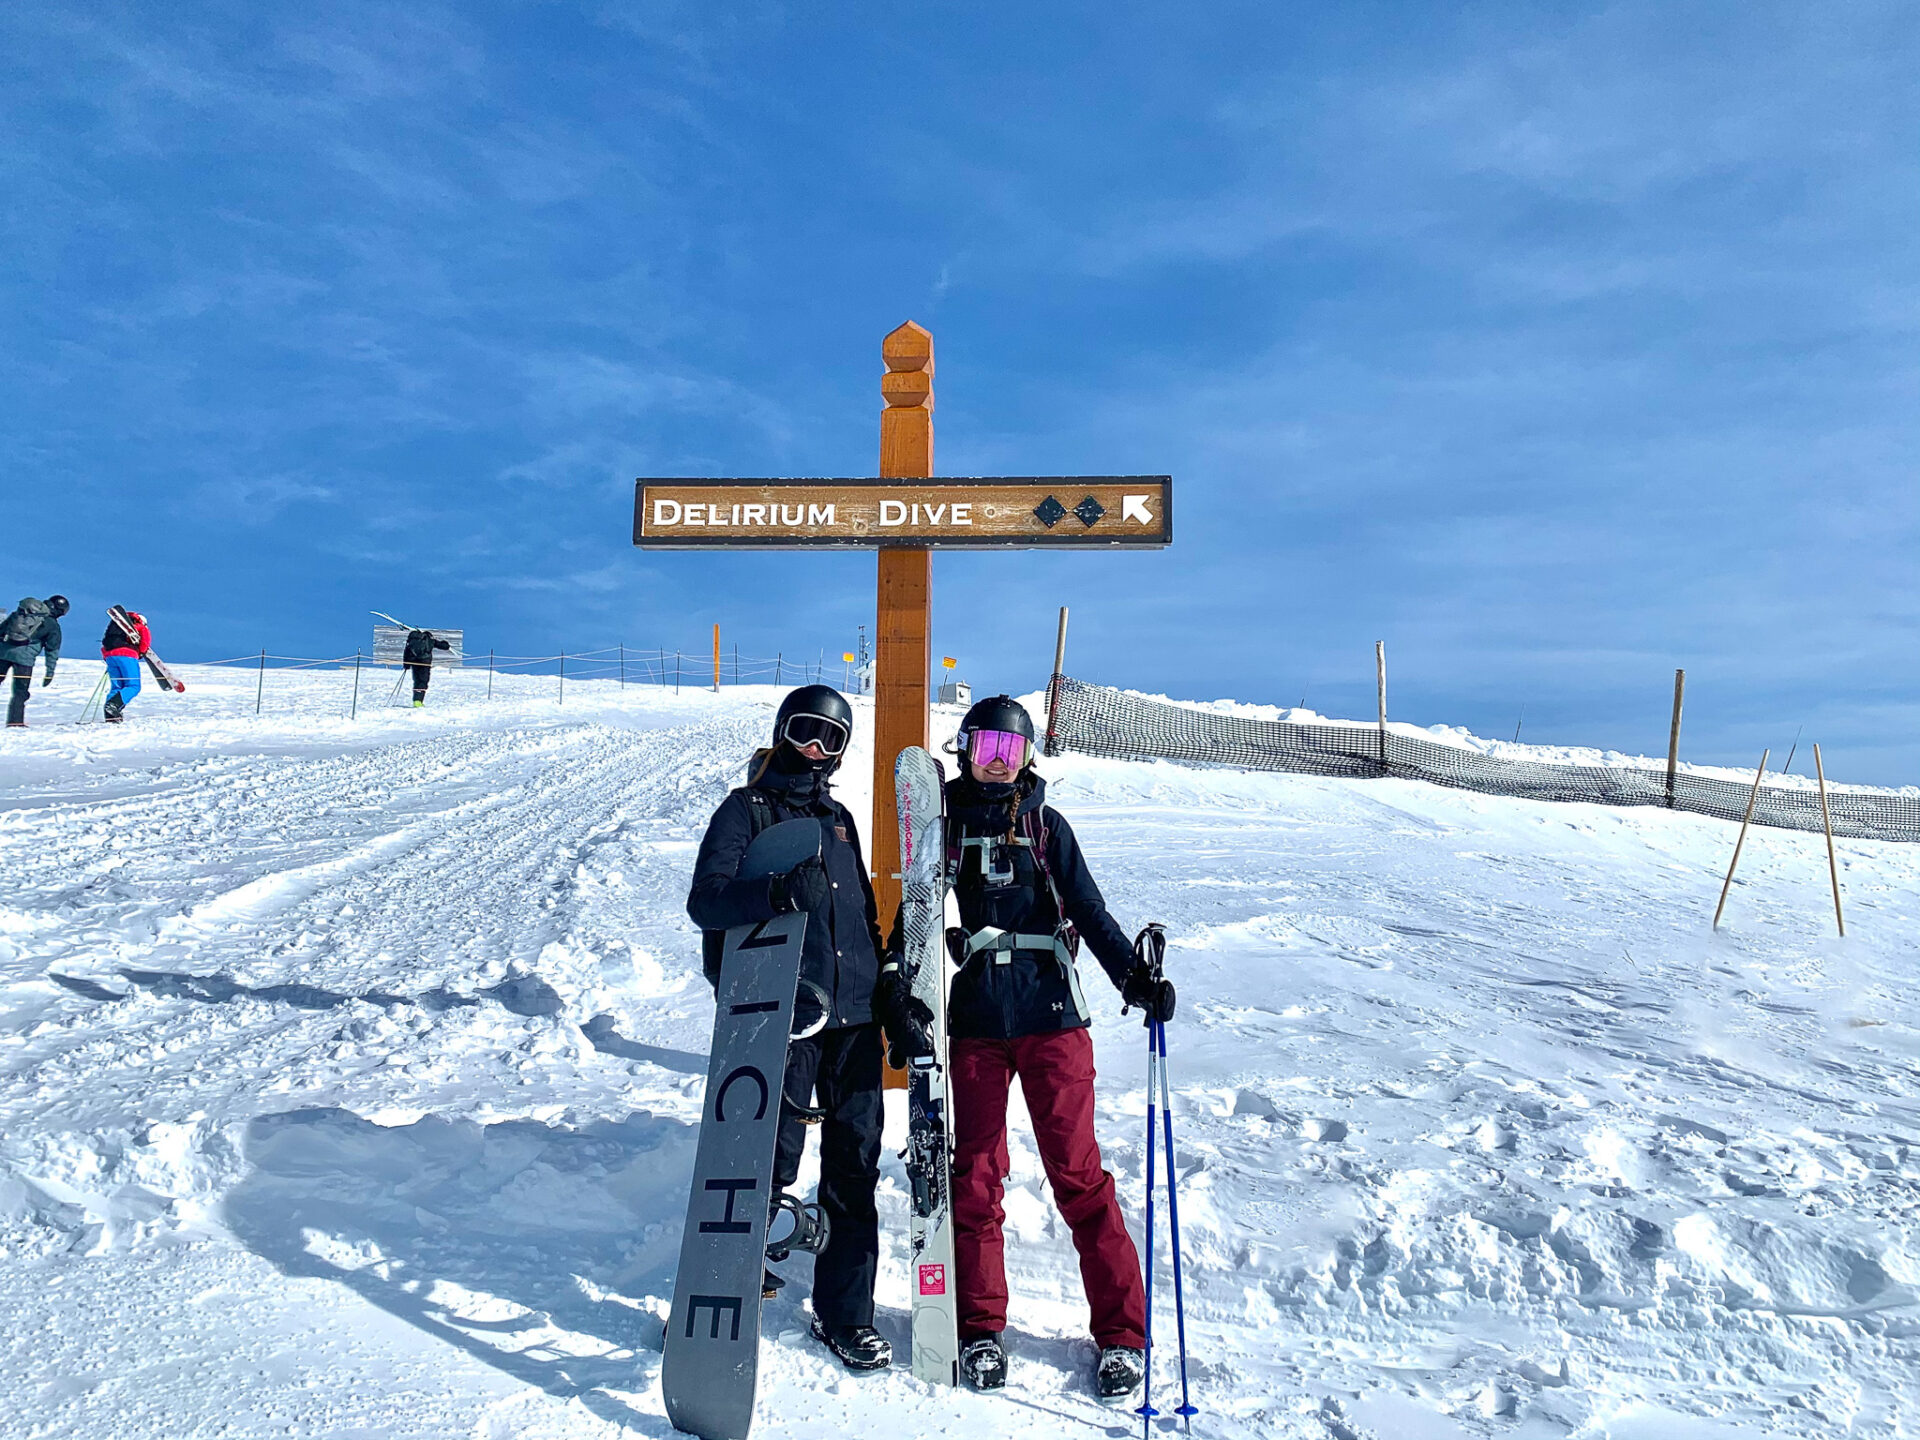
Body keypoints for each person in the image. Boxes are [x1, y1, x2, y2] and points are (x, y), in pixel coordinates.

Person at [930, 694, 1176, 1401]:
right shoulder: (943, 830)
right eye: (986, 751)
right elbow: (916, 910)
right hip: (977, 1018)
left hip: (1051, 1019)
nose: (998, 766)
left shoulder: (1044, 825)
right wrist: (898, 981)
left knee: (1077, 1175)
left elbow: (1090, 912)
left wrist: (1134, 978)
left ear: (1028, 759)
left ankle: (1123, 1336)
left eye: (1011, 754)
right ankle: (980, 1328)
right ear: (966, 751)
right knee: (974, 1175)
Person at [685, 684, 930, 1373]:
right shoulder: (748, 810)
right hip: (783, 1016)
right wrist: (773, 894)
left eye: (831, 737)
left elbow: (866, 926)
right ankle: (723, 1289)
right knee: (765, 1160)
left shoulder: (842, 821)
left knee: (852, 1170)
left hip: (853, 1024)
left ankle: (844, 1313)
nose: (816, 748)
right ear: (782, 731)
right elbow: (705, 900)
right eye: (805, 731)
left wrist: (892, 993)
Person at [1, 595, 67, 728]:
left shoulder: (23, 612)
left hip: (2, 653)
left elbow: (2, 629)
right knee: (20, 691)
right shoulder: (52, 625)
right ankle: (15, 722)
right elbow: (52, 651)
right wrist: (49, 672)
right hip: (24, 659)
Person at [101, 608, 151, 723]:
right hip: (127, 655)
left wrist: (107, 656)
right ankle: (113, 706)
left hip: (110, 655)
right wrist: (141, 653)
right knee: (133, 686)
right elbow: (145, 641)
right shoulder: (140, 626)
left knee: (117, 687)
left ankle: (110, 715)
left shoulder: (116, 624)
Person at [404, 628, 451, 706]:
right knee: (423, 681)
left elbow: (406, 652)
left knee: (417, 681)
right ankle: (418, 702)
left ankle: (416, 700)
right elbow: (444, 646)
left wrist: (406, 665)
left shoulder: (412, 640)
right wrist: (446, 644)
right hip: (424, 663)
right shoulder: (429, 640)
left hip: (414, 663)